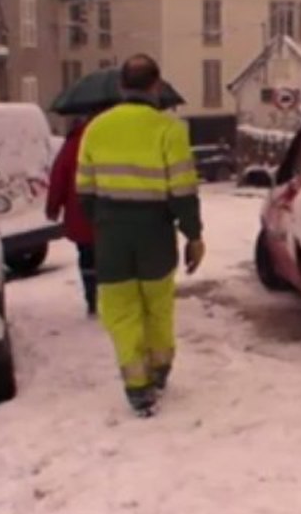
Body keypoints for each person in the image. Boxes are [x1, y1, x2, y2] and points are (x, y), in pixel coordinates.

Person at [77, 54, 205, 417]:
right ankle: (159, 368)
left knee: (121, 312)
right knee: (157, 306)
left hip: (112, 237)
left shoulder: (96, 128)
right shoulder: (169, 130)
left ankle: (137, 386)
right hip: (155, 236)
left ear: (121, 86)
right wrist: (193, 236)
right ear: (155, 86)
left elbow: (84, 190)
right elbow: (183, 191)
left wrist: (103, 224)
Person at [46, 114, 102, 316]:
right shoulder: (112, 139)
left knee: (87, 257)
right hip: (111, 212)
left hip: (80, 213)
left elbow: (58, 176)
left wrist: (53, 207)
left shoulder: (73, 143)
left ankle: (92, 299)